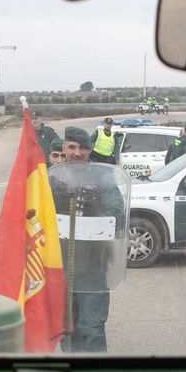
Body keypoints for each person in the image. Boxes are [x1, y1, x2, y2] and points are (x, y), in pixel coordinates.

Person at [54, 127, 128, 352]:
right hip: (58, 268)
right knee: (65, 330)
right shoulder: (52, 177)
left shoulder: (102, 177)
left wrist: (95, 222)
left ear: (90, 150)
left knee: (93, 328)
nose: (77, 153)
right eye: (72, 147)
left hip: (92, 267)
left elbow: (117, 215)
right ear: (64, 148)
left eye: (83, 148)